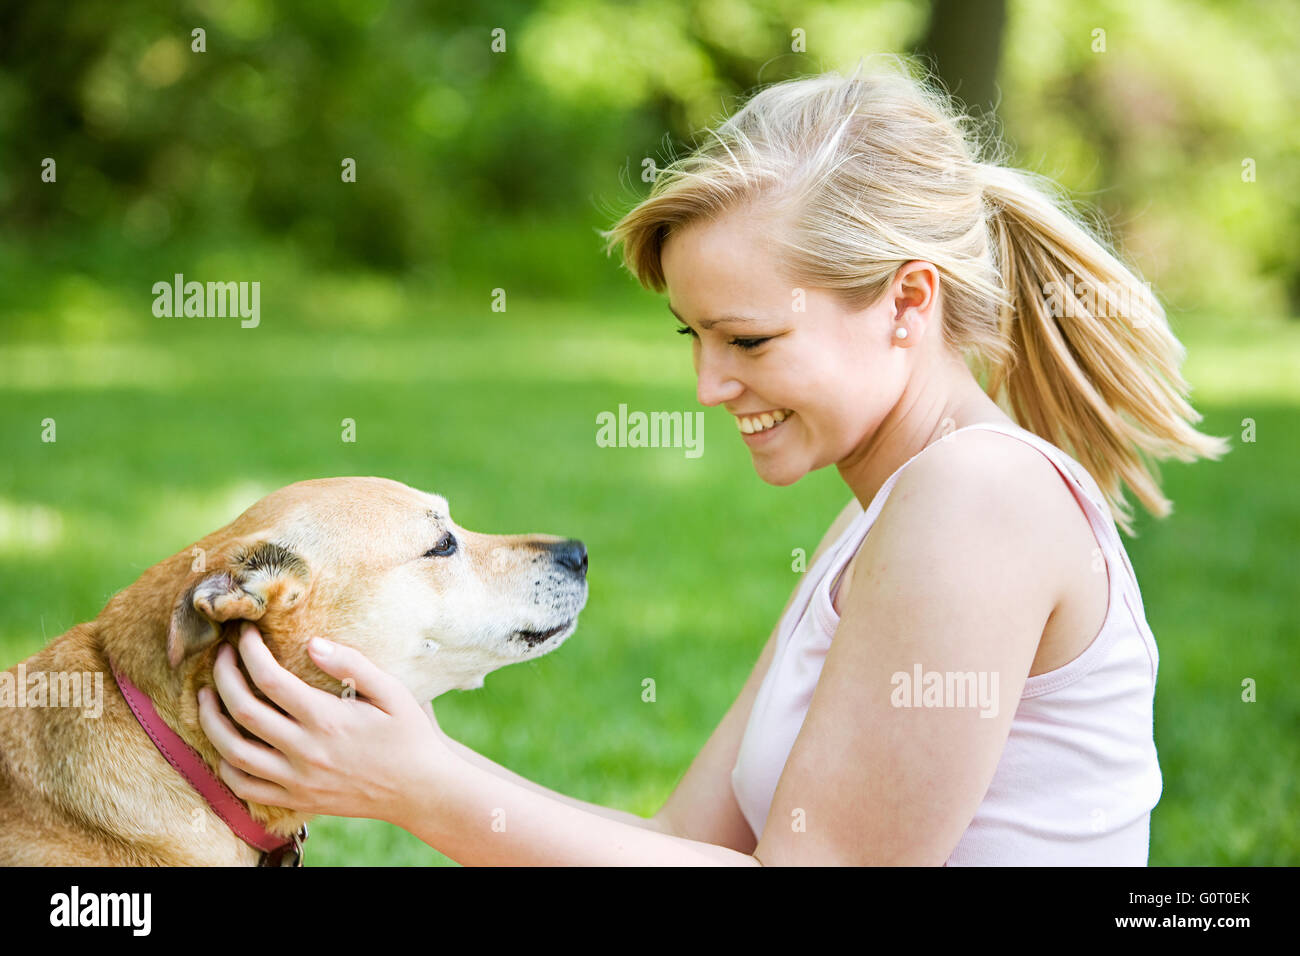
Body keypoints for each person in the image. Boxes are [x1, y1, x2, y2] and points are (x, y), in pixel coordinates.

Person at [197, 55, 1228, 865]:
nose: (707, 387)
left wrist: (425, 786)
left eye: (748, 340)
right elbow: (682, 846)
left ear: (909, 302)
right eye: (692, 337)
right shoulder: (887, 510)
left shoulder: (977, 499)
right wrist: (408, 777)